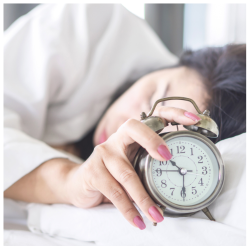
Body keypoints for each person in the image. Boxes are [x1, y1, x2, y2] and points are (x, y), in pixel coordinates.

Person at [4, 3, 246, 232]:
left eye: (159, 133)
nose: (127, 126)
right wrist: (66, 180)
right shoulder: (93, 24)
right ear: (173, 63)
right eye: (154, 96)